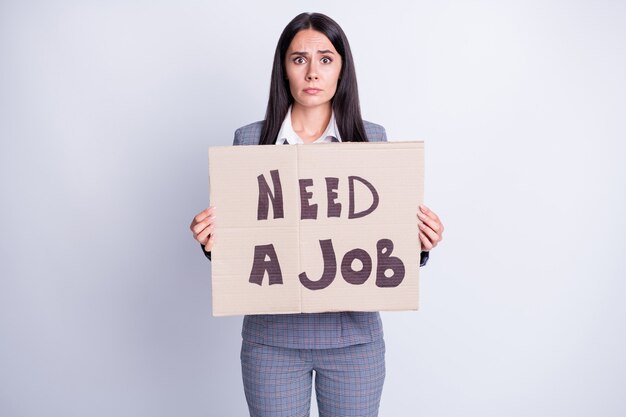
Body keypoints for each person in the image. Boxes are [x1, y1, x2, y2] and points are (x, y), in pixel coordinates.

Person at [190, 12, 444, 417]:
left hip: (354, 342)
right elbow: (242, 247)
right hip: (271, 342)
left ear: (342, 70)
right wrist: (211, 244)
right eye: (299, 59)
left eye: (325, 59)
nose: (312, 72)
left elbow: (382, 244)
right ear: (284, 70)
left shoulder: (374, 141)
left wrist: (419, 245)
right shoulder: (250, 142)